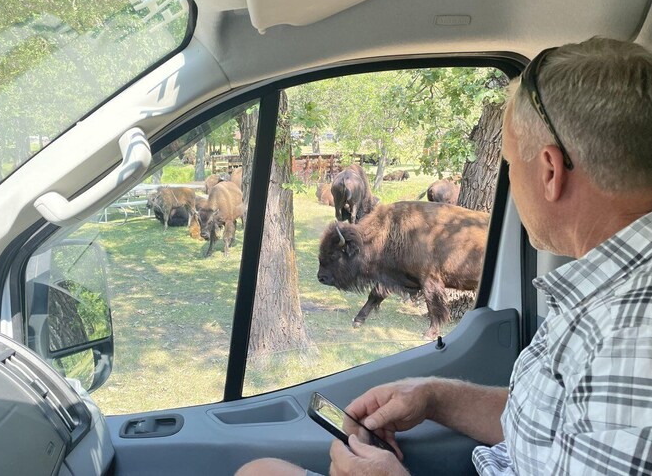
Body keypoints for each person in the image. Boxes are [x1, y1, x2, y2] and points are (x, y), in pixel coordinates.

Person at [236, 37, 652, 476]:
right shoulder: (599, 291)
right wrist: (433, 395)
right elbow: (549, 426)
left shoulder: (632, 341)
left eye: (509, 164)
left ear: (549, 172)